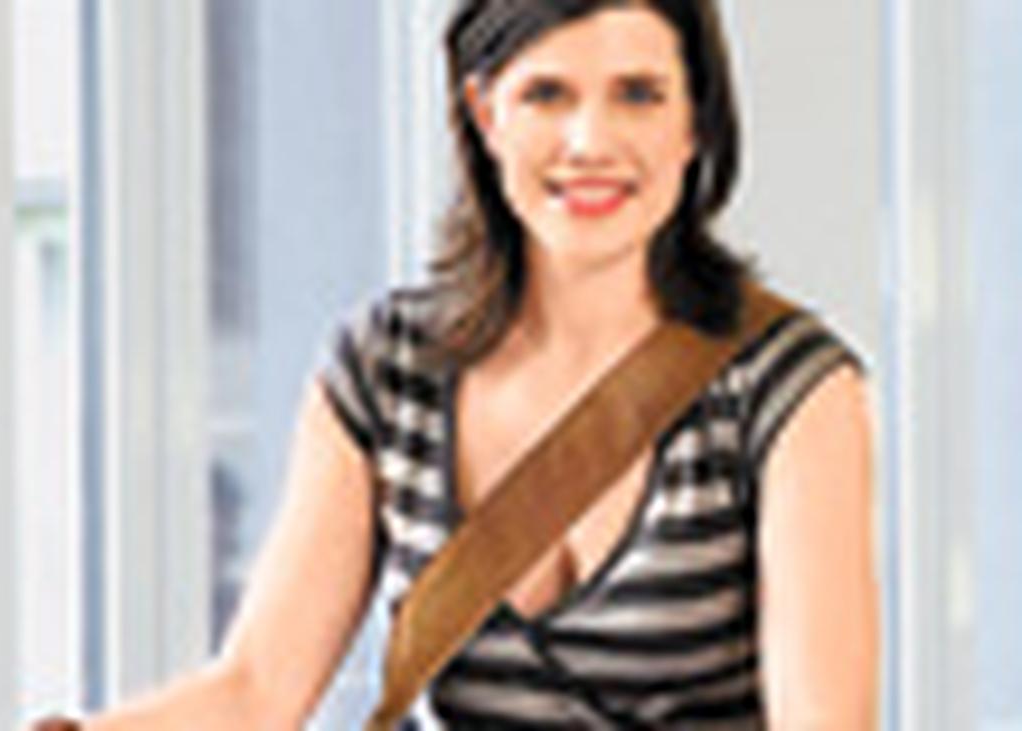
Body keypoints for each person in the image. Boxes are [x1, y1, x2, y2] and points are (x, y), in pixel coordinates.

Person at [59, 0, 879, 728]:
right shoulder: (387, 368)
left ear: (695, 120)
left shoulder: (788, 387)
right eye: (546, 94)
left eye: (638, 94)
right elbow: (256, 693)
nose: (591, 142)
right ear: (485, 114)